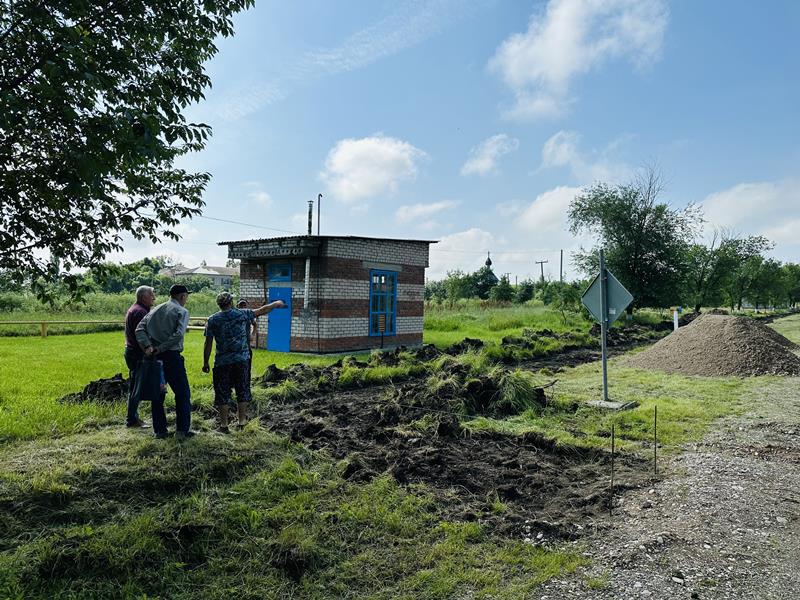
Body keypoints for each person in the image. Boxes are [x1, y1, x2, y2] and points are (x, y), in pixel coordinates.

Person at [203, 292, 285, 432]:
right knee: (242, 389)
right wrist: (276, 303)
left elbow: (208, 343)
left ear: (219, 304)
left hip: (222, 362)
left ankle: (224, 425)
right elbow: (262, 310)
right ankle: (241, 422)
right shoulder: (242, 314)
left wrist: (205, 362)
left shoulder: (212, 320)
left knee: (222, 392)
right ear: (231, 303)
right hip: (242, 360)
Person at [135, 284, 194, 439]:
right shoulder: (182, 311)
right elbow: (179, 334)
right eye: (186, 296)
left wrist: (148, 347)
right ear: (182, 296)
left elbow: (139, 329)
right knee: (182, 393)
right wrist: (161, 348)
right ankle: (182, 430)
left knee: (157, 394)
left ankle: (160, 431)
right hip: (172, 357)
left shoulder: (155, 309)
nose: (186, 299)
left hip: (154, 358)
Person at [123, 285, 155, 428]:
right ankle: (132, 420)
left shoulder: (136, 309)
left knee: (135, 385)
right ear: (143, 297)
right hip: (138, 353)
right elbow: (141, 336)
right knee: (137, 387)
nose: (154, 297)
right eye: (152, 295)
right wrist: (150, 349)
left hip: (132, 352)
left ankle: (133, 417)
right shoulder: (140, 312)